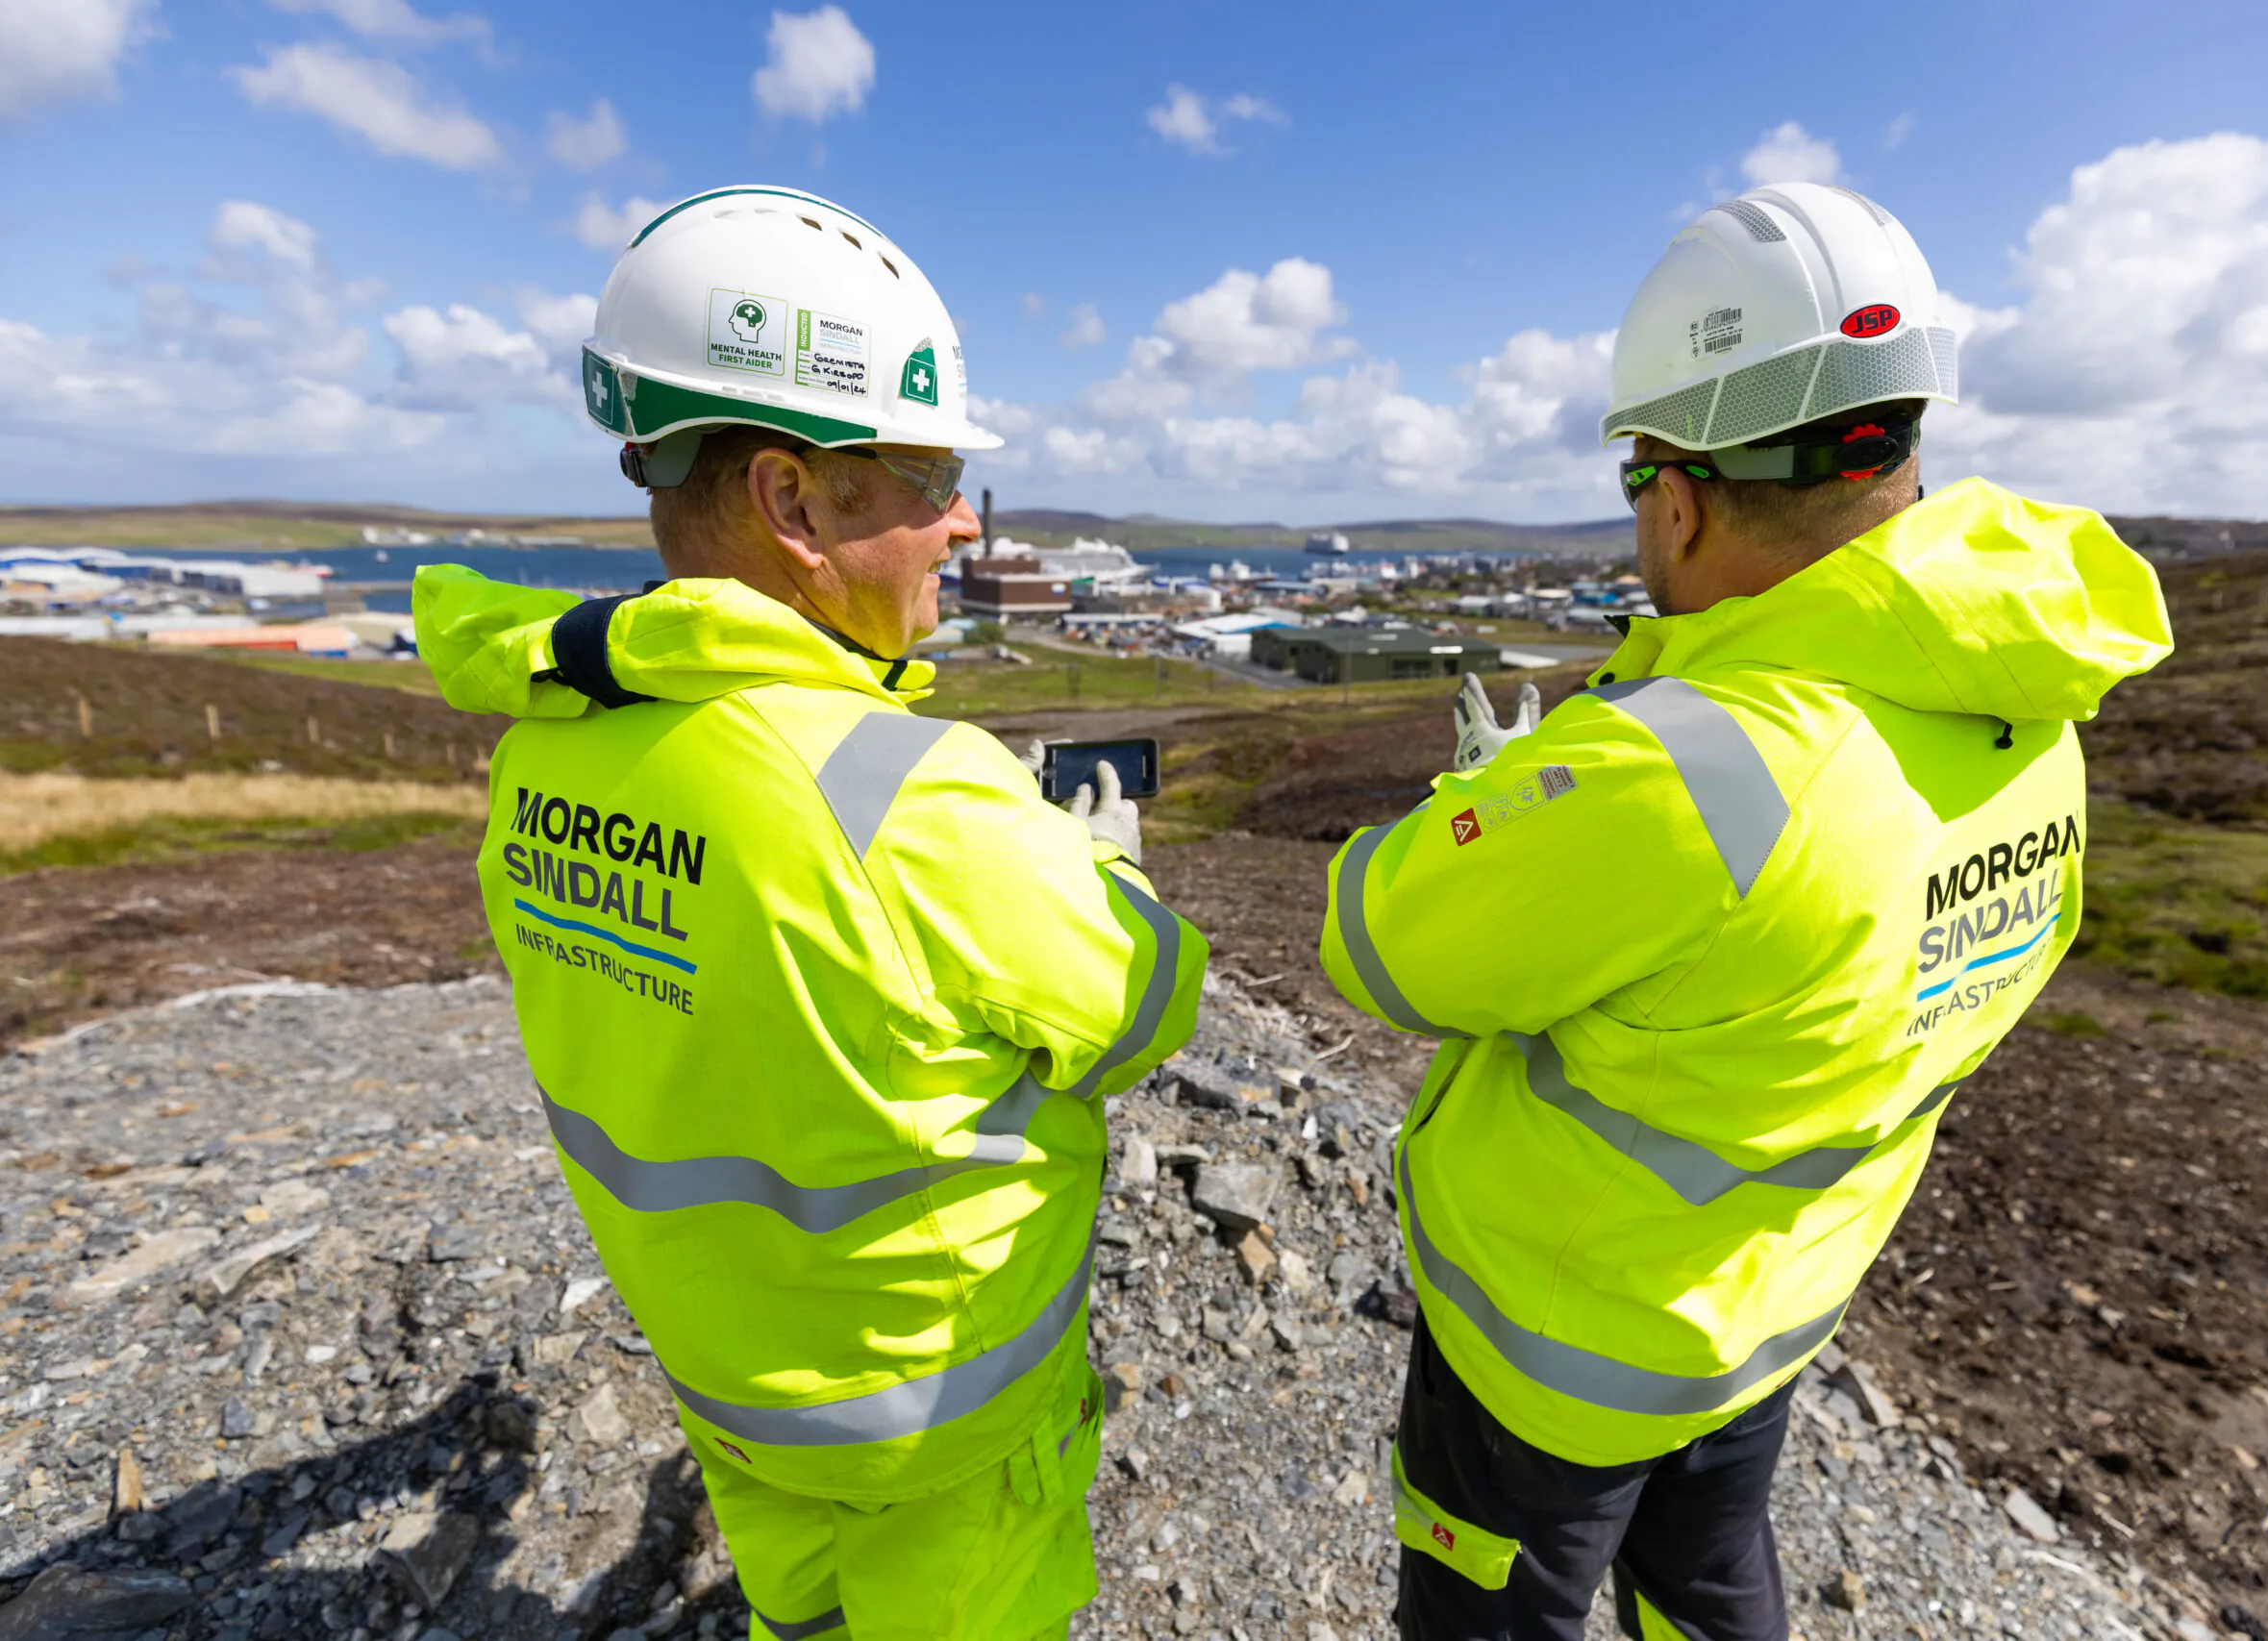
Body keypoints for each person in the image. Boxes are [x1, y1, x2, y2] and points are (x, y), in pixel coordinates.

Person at [1319, 181, 2174, 1639]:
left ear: (1678, 490)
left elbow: (1376, 939)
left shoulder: (1686, 766)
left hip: (1559, 1347)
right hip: (1779, 1305)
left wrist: (1510, 796)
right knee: (1709, 1584)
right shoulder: (2027, 711)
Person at [412, 185, 1209, 1640]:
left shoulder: (546, 748)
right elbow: (1144, 1004)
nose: (963, 517)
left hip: (733, 1383)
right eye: (928, 474)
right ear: (791, 500)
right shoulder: (908, 797)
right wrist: (1105, 865)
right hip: (939, 1434)